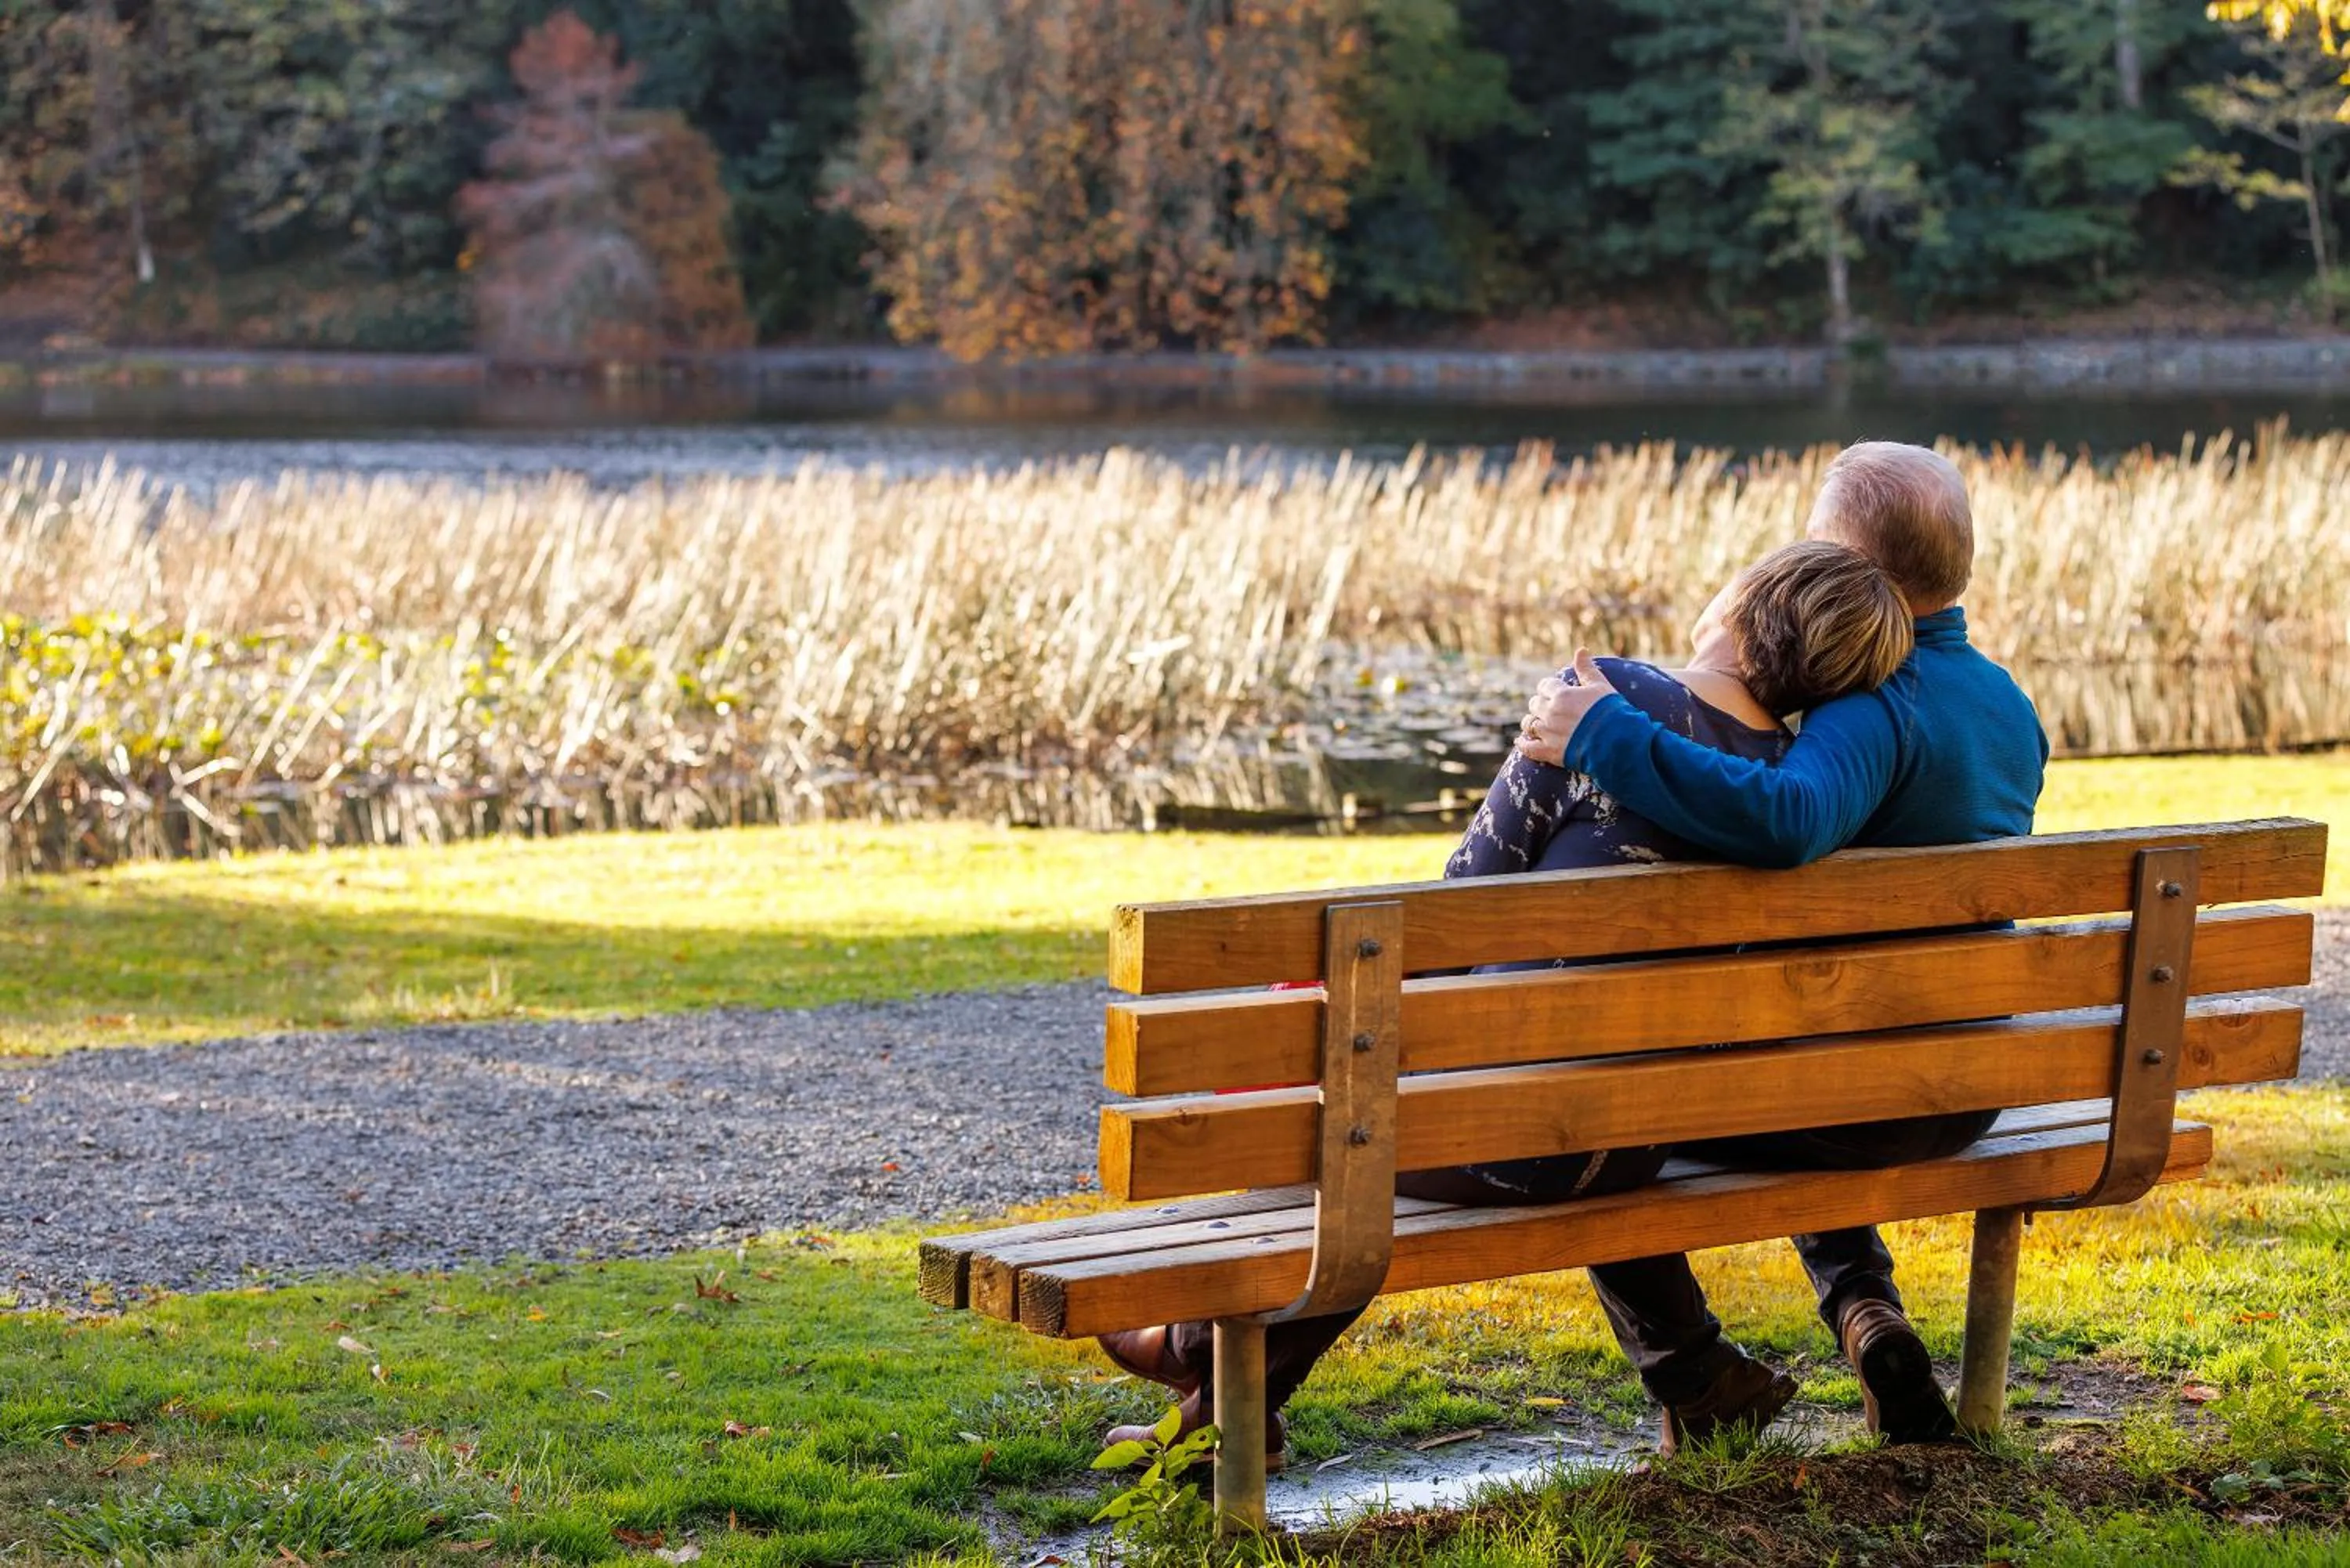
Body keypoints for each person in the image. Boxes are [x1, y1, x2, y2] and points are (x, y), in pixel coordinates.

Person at [1095, 537, 1918, 1465]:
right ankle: (1691, 1373)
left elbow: (1463, 901)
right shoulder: (1785, 785)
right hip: (1635, 1144)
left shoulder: (1609, 699)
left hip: (1511, 1134)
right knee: (1392, 1101)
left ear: (1750, 603)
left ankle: (1200, 1354)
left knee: (1346, 1108)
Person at [1517, 440, 2048, 1450]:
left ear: (1845, 563)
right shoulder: (2008, 705)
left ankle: (1696, 1376)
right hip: (1970, 1081)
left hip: (1856, 1095)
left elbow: (1790, 817)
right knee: (1792, 1051)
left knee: (1614, 1102)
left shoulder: (1874, 705)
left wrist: (1605, 736)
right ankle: (1863, 1309)